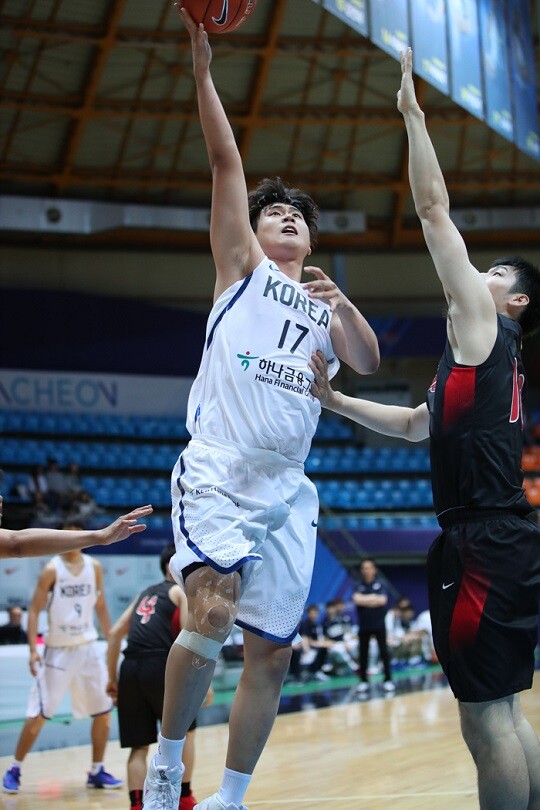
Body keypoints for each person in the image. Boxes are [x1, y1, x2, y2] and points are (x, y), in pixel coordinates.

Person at [141, 7, 380, 810]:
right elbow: (224, 160)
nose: (286, 217)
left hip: (288, 484)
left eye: (298, 216)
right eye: (274, 210)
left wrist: (343, 306)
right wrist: (204, 72)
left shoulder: (323, 304)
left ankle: (231, 797)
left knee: (271, 654)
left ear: (310, 242)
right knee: (211, 612)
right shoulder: (240, 269)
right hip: (221, 466)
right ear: (252, 230)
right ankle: (167, 761)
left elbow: (368, 364)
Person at [309, 47, 540, 809]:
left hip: (484, 542)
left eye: (493, 274)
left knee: (485, 720)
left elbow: (435, 212)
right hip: (500, 538)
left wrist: (411, 114)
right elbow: (416, 425)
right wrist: (336, 402)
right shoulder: (474, 364)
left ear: (515, 303)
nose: (477, 277)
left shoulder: (485, 329)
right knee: (505, 709)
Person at [2, 527, 126, 794]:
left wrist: (111, 638)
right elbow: (34, 609)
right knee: (38, 714)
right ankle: (14, 768)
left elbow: (101, 605)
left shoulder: (94, 567)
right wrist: (32, 649)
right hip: (58, 649)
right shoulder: (52, 569)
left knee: (103, 712)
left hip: (88, 647)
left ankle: (97, 770)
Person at [107, 544, 212, 810]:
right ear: (172, 566)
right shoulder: (180, 592)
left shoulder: (143, 594)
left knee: (138, 746)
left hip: (130, 667)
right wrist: (203, 680)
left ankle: (136, 804)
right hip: (161, 665)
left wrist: (112, 680)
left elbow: (114, 633)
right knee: (186, 733)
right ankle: (184, 797)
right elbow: (191, 637)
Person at [0, 494, 152, 558]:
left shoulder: (93, 566)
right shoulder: (52, 570)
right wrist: (100, 536)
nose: (1, 498)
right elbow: (16, 543)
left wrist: (101, 536)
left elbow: (16, 543)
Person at [352, 559, 395, 693]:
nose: (367, 570)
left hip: (379, 624)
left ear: (374, 569)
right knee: (363, 653)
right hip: (364, 625)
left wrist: (365, 599)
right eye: (364, 568)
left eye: (369, 567)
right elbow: (357, 599)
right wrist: (373, 598)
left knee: (384, 652)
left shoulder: (380, 584)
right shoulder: (358, 584)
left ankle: (387, 679)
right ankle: (363, 681)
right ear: (361, 570)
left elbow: (382, 600)